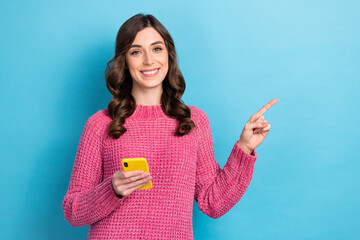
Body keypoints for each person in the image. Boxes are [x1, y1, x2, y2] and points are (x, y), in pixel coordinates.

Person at [62, 13, 278, 240]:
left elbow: (213, 202)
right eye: (136, 52)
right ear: (125, 61)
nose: (148, 60)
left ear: (169, 55)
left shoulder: (194, 121)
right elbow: (72, 211)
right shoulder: (100, 124)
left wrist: (244, 149)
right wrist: (112, 189)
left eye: (156, 49)